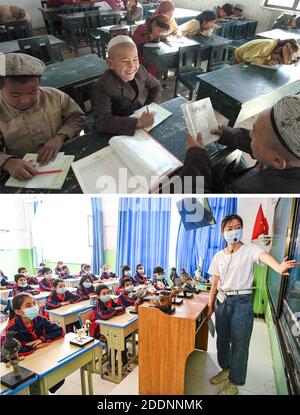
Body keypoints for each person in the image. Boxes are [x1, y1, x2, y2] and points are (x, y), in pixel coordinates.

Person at [206, 214, 298, 395]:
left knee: (240, 344)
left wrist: (278, 267)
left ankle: (235, 382)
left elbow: (264, 256)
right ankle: (225, 370)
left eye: (237, 226)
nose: (234, 230)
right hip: (222, 302)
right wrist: (210, 306)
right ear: (223, 232)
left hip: (242, 303)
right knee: (222, 341)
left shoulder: (250, 249)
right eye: (229, 228)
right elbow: (214, 283)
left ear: (242, 229)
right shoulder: (218, 256)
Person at [180, 95, 300, 193]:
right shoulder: (289, 157)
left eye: (254, 132)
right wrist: (226, 133)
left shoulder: (251, 191)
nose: (250, 134)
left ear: (277, 161)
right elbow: (264, 146)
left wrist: (195, 157)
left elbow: (194, 205)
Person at [0, 53, 85, 181]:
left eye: (33, 92)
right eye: (15, 95)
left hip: (62, 158)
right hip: (21, 171)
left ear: (39, 84)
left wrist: (60, 136)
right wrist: (7, 162)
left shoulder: (55, 97)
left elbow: (77, 117)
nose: (25, 100)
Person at [94, 35, 162, 136]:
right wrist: (139, 122)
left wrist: (149, 107)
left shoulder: (140, 71)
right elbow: (102, 121)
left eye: (135, 59)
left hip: (138, 121)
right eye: (125, 61)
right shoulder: (103, 86)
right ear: (110, 63)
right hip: (116, 130)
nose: (132, 66)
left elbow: (156, 86)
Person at [5, 293, 64, 393]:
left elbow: (59, 331)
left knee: (58, 376)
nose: (34, 307)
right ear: (18, 311)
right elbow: (12, 349)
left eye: (34, 303)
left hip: (42, 358)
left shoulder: (40, 319)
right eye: (28, 305)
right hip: (24, 364)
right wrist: (35, 347)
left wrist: (42, 339)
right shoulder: (11, 328)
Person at [234, 38, 300, 65]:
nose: (277, 61)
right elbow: (246, 56)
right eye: (277, 59)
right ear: (278, 50)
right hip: (239, 57)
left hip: (250, 58)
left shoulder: (274, 47)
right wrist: (264, 61)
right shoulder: (268, 45)